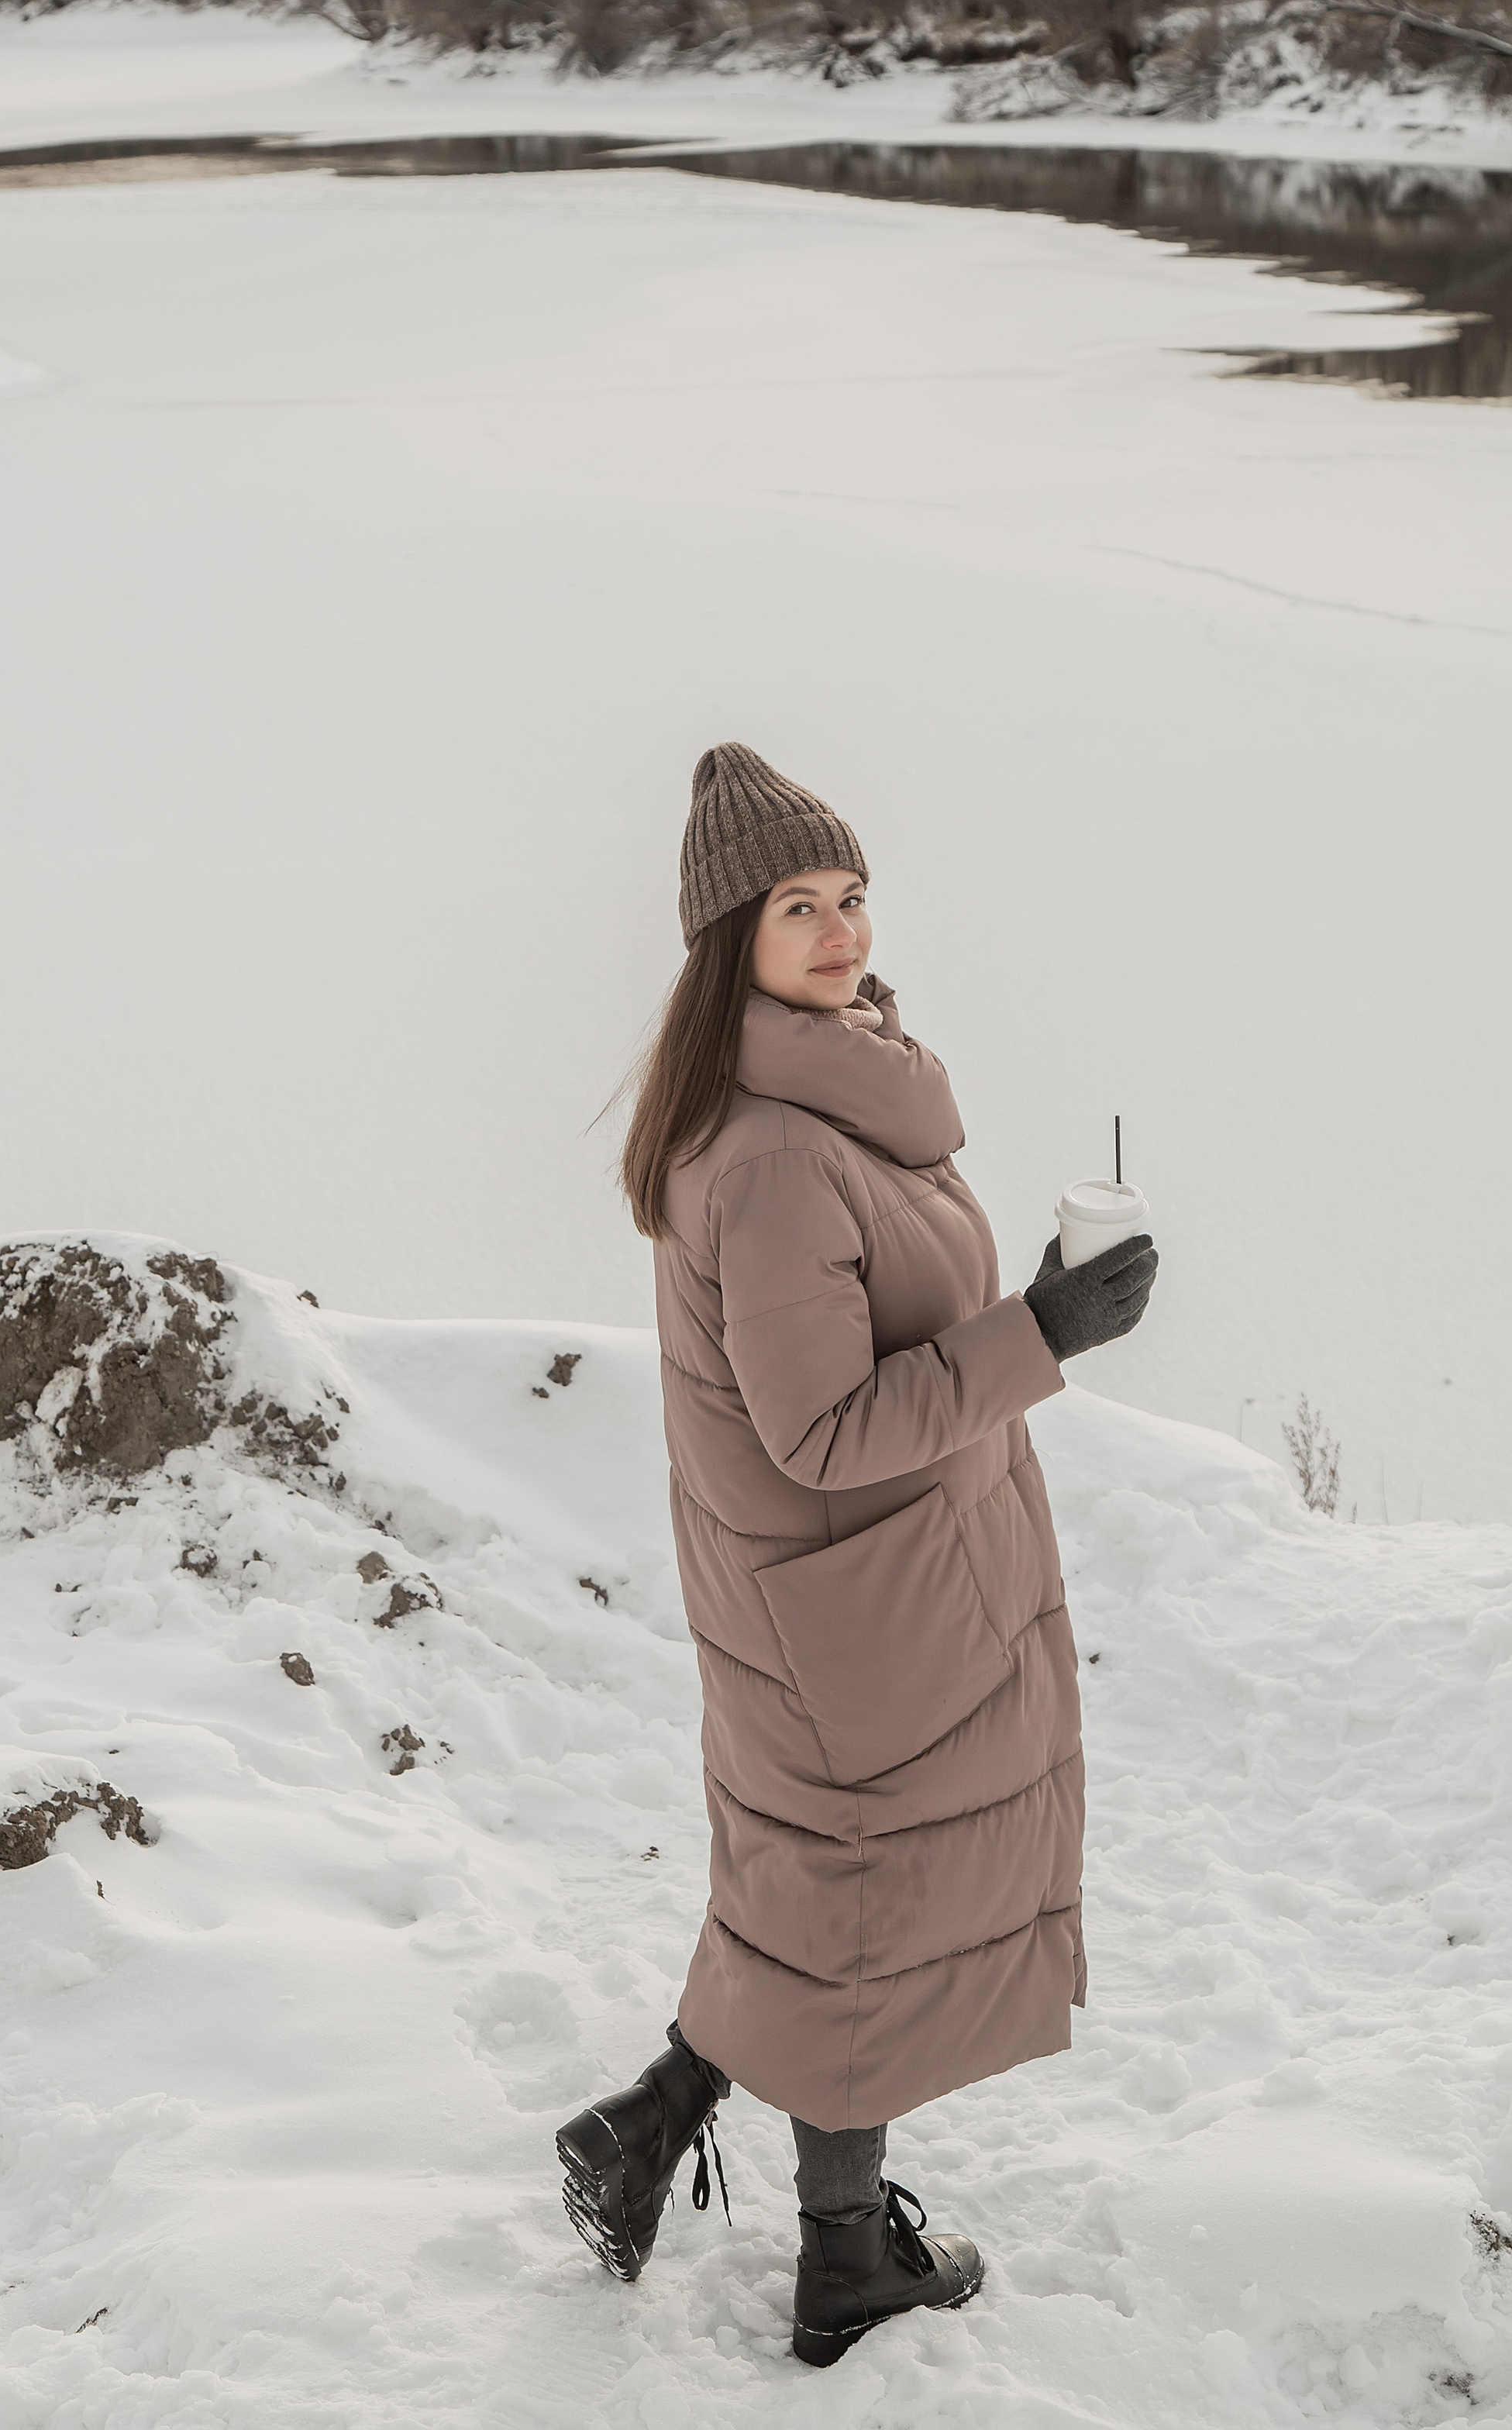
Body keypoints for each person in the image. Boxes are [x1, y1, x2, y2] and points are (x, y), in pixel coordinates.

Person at [556, 743, 1156, 2366]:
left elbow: (872, 1330)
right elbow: (819, 1429)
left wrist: (1028, 1304)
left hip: (852, 1578)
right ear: (726, 944)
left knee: (817, 1891)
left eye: (848, 897)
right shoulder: (767, 1152)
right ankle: (840, 2262)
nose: (834, 932)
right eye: (794, 907)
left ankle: (652, 2128)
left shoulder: (828, 1089)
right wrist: (1037, 1332)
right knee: (858, 1911)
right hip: (855, 1588)